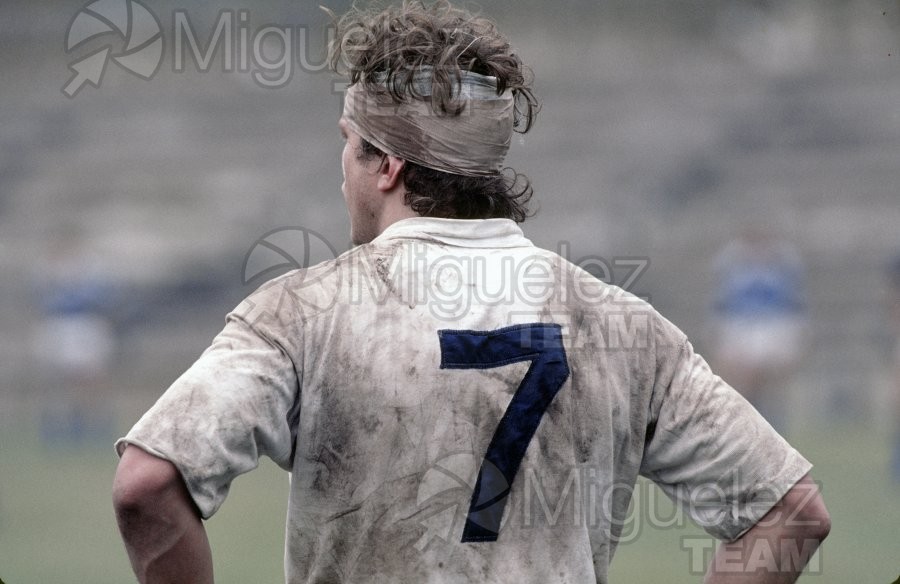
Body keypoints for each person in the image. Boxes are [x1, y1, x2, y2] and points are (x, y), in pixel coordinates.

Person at [112, 2, 829, 582]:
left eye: (347, 140)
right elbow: (791, 512)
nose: (341, 169)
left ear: (387, 164)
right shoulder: (626, 326)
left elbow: (146, 484)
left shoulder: (301, 313)